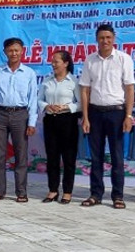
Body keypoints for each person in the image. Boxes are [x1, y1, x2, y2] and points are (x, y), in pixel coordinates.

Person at [79, 24, 135, 209]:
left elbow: (129, 88)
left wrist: (128, 115)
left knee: (117, 157)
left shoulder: (123, 59)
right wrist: (85, 118)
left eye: (108, 37)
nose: (105, 41)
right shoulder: (90, 60)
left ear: (114, 38)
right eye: (102, 38)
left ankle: (118, 196)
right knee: (96, 157)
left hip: (117, 113)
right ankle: (95, 194)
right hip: (95, 113)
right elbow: (85, 90)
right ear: (96, 39)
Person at [0, 37, 39, 203]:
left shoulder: (29, 73)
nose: (14, 53)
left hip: (20, 115)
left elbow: (33, 100)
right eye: (10, 50)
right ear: (5, 52)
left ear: (22, 51)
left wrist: (31, 122)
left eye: (17, 50)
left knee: (20, 155)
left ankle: (21, 192)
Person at [39, 49, 80, 204]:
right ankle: (53, 190)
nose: (53, 64)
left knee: (69, 158)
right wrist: (47, 106)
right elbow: (39, 100)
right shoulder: (47, 80)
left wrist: (67, 107)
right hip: (50, 121)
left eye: (56, 61)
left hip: (68, 121)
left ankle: (67, 192)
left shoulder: (74, 81)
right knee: (52, 158)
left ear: (66, 63)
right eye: (52, 61)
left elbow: (81, 104)